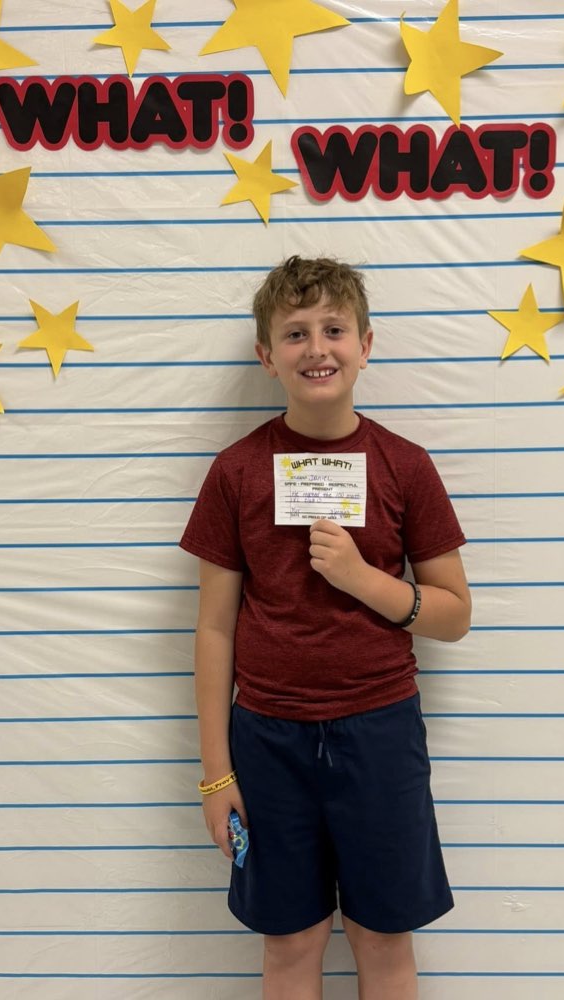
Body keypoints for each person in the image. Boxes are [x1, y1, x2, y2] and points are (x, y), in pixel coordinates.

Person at [182, 256, 472, 1000]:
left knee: (383, 940)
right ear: (266, 355)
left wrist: (362, 579)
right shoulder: (236, 472)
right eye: (295, 333)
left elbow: (454, 614)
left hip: (380, 734)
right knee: (290, 941)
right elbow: (214, 630)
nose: (317, 348)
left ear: (366, 344)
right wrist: (217, 775)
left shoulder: (405, 467)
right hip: (268, 741)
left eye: (335, 329)